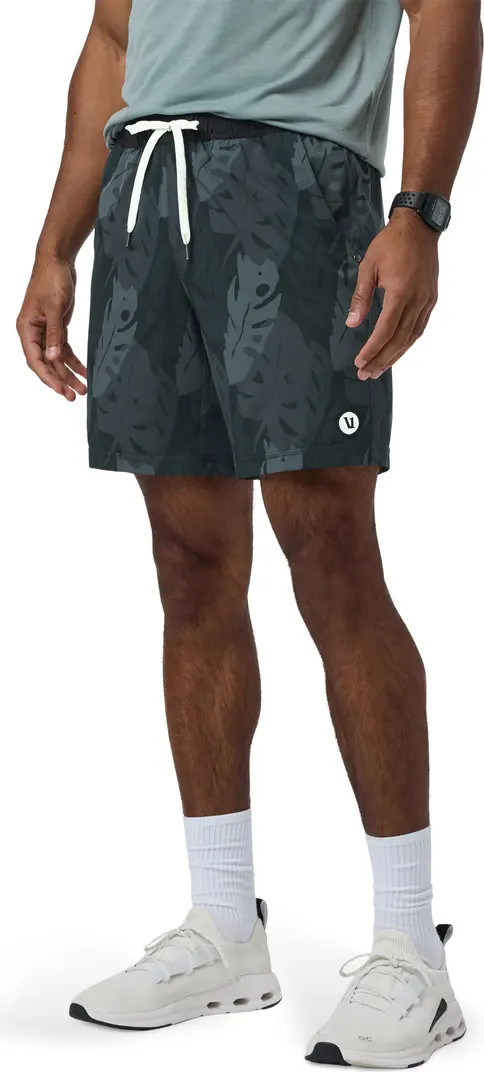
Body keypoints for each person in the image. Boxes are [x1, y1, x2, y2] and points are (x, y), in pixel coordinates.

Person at [17, 0, 482, 1065]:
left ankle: (411, 951)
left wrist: (418, 212)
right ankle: (225, 927)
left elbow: (443, 10)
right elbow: (114, 39)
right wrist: (54, 245)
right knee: (188, 566)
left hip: (297, 186)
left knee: (330, 552)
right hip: (146, 187)